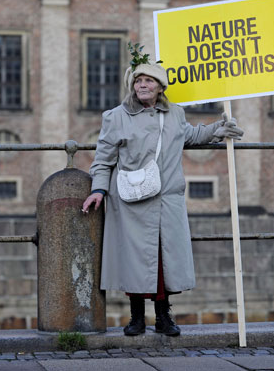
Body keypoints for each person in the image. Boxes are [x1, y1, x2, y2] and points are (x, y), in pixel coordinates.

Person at [82, 43, 243, 337]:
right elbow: (103, 160)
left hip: (167, 199)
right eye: (138, 81)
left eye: (149, 81)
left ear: (159, 87)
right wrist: (98, 191)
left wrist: (220, 128)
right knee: (134, 258)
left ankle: (164, 317)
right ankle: (136, 318)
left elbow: (191, 136)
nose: (142, 85)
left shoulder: (175, 114)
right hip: (130, 201)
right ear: (132, 86)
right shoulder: (115, 117)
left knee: (164, 260)